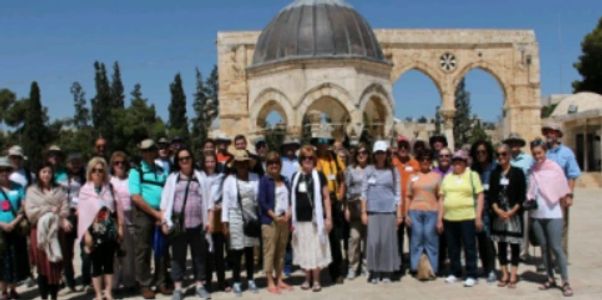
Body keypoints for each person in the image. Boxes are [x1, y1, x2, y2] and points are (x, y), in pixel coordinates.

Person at [160, 148, 213, 300]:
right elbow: (164, 201)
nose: (184, 161)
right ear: (177, 162)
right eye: (181, 159)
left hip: (198, 224)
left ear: (192, 158)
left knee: (199, 256)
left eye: (187, 158)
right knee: (178, 257)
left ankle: (199, 285)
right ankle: (178, 288)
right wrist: (164, 221)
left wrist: (209, 220)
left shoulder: (201, 177)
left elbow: (209, 201)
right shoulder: (173, 178)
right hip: (178, 226)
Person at [527, 139, 573, 297]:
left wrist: (567, 197)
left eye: (539, 153)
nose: (537, 156)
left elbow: (563, 188)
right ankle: (550, 277)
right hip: (537, 214)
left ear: (545, 152)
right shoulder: (533, 169)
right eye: (534, 154)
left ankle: (565, 281)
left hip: (553, 213)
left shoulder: (555, 168)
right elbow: (531, 190)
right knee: (544, 247)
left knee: (556, 247)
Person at [77, 157, 124, 300]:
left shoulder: (110, 188)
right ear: (89, 172)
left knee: (109, 263)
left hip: (109, 232)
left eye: (101, 170)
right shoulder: (84, 190)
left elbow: (118, 209)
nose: (97, 173)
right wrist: (86, 234)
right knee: (96, 265)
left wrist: (120, 227)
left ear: (105, 172)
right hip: (93, 232)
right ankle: (98, 294)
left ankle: (108, 292)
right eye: (94, 170)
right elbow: (82, 214)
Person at [129, 139, 170, 299]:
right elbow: (136, 197)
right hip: (144, 214)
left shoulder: (161, 170)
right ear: (142, 153)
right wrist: (155, 213)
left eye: (151, 150)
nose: (148, 153)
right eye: (145, 150)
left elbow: (167, 191)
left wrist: (163, 213)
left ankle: (161, 281)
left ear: (154, 152)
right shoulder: (136, 171)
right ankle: (144, 284)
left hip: (160, 213)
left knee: (161, 250)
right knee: (143, 250)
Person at [438, 150, 484, 287]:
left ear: (465, 162)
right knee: (453, 247)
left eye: (460, 161)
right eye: (455, 161)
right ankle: (455, 272)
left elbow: (480, 195)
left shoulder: (472, 175)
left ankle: (471, 274)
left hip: (467, 217)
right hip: (449, 217)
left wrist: (478, 216)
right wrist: (439, 219)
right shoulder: (447, 177)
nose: (457, 164)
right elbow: (441, 198)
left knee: (469, 247)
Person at [290, 145, 332, 292]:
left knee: (316, 249)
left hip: (316, 220)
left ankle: (316, 280)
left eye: (310, 158)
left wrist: (328, 218)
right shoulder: (295, 177)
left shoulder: (319, 175)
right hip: (300, 220)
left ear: (314, 160)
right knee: (304, 249)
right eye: (304, 158)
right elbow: (292, 199)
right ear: (300, 160)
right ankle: (307, 279)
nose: (307, 160)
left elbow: (326, 197)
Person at [25, 163, 70, 300]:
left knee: (55, 265)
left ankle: (54, 297)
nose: (46, 175)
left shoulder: (60, 189)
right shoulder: (32, 191)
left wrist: (59, 215)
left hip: (56, 231)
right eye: (43, 171)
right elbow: (31, 213)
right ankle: (44, 297)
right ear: (38, 173)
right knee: (42, 266)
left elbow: (65, 209)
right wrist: (50, 209)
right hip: (38, 232)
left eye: (49, 172)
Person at [361, 141, 402, 283]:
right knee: (374, 242)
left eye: (382, 152)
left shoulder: (393, 170)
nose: (380, 155)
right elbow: (364, 192)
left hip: (389, 210)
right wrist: (363, 212)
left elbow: (397, 193)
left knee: (387, 241)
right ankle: (375, 271)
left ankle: (387, 271)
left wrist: (399, 213)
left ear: (386, 154)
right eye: (378, 153)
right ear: (374, 154)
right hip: (373, 210)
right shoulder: (368, 170)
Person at [221, 150, 260, 296]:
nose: (242, 165)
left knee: (250, 251)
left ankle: (250, 279)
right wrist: (225, 223)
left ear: (248, 164)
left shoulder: (255, 178)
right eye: (239, 163)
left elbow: (258, 200)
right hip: (235, 217)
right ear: (235, 165)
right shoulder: (229, 180)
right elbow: (225, 203)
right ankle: (236, 281)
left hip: (251, 218)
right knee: (237, 251)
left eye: (244, 163)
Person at [488, 144, 526, 289]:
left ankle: (514, 274)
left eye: (504, 154)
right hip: (499, 215)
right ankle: (504, 273)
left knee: (514, 245)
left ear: (509, 155)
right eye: (498, 155)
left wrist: (512, 211)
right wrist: (497, 210)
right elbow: (491, 195)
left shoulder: (518, 172)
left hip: (514, 214)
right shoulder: (494, 173)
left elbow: (521, 195)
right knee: (501, 245)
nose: (501, 157)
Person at [542, 122, 580, 258]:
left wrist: (570, 195)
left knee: (561, 228)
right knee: (545, 227)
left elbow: (572, 174)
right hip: (544, 197)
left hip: (561, 196)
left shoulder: (566, 152)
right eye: (547, 132)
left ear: (558, 134)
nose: (549, 134)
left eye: (552, 131)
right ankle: (547, 259)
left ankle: (561, 258)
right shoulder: (542, 151)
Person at [258, 151, 293, 294]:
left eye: (276, 162)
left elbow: (291, 199)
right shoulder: (264, 181)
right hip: (270, 221)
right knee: (269, 251)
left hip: (284, 220)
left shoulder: (285, 180)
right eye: (270, 163)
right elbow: (262, 202)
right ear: (267, 165)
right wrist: (274, 216)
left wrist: (289, 213)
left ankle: (279, 278)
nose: (274, 165)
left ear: (280, 164)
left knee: (281, 251)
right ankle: (270, 280)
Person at [314, 135, 346, 284]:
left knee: (334, 238)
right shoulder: (313, 159)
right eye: (321, 144)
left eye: (326, 143)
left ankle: (336, 272)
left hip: (333, 202)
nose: (323, 146)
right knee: (317, 238)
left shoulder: (334, 157)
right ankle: (316, 273)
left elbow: (342, 178)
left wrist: (340, 195)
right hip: (318, 202)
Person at [405, 150, 441, 278]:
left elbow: (440, 197)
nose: (425, 161)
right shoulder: (412, 176)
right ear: (419, 161)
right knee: (416, 240)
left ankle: (433, 268)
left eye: (427, 159)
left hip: (431, 211)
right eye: (422, 159)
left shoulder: (436, 176)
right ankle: (415, 267)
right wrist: (406, 214)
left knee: (431, 240)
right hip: (415, 211)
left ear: (431, 161)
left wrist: (440, 217)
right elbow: (408, 196)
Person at [0, 157, 30, 299]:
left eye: (7, 170)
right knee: (2, 261)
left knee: (15, 260)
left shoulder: (18, 187)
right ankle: (4, 291)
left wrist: (15, 222)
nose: (4, 173)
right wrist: (2, 224)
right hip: (1, 230)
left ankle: (13, 289)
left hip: (16, 229)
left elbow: (23, 207)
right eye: (1, 170)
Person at [59, 152, 88, 292]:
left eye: (78, 162)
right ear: (67, 164)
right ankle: (70, 282)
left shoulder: (87, 178)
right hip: (67, 214)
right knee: (66, 251)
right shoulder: (61, 179)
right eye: (72, 162)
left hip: (83, 215)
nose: (75, 165)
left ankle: (87, 280)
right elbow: (58, 199)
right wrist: (62, 217)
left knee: (86, 249)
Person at [503, 133, 535, 259]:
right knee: (509, 224)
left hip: (524, 195)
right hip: (508, 196)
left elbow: (532, 177)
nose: (513, 146)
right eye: (511, 143)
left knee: (525, 224)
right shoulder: (504, 158)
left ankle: (523, 252)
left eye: (516, 143)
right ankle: (510, 251)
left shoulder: (528, 159)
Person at [201, 152, 230, 293]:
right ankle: (207, 282)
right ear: (204, 163)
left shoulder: (222, 178)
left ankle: (222, 281)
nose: (210, 164)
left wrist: (222, 204)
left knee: (219, 251)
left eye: (212, 161)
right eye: (207, 162)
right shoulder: (200, 178)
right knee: (207, 253)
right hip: (205, 215)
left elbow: (226, 195)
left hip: (218, 216)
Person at [470, 140, 497, 283]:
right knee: (479, 240)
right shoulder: (473, 169)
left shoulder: (494, 168)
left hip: (490, 209)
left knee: (488, 240)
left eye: (483, 152)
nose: (480, 154)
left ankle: (492, 269)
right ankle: (485, 267)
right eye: (478, 152)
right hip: (474, 209)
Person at [109, 151, 137, 292]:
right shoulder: (109, 180)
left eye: (122, 162)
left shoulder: (131, 179)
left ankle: (129, 281)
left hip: (130, 219)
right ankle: (113, 284)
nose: (120, 165)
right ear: (112, 165)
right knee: (114, 254)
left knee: (129, 252)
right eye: (116, 163)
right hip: (114, 221)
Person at [392, 137, 419, 272]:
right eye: (400, 146)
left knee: (413, 237)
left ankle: (414, 264)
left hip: (411, 207)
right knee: (397, 238)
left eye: (405, 146)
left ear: (409, 148)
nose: (403, 149)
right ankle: (398, 264)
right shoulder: (392, 162)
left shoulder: (415, 164)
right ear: (397, 148)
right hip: (396, 208)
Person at [344, 144, 370, 280]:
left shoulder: (372, 169)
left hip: (370, 208)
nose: (362, 155)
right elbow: (347, 190)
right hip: (354, 207)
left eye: (364, 152)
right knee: (354, 238)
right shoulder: (350, 170)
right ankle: (352, 267)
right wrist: (346, 208)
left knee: (367, 239)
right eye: (359, 153)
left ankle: (366, 266)